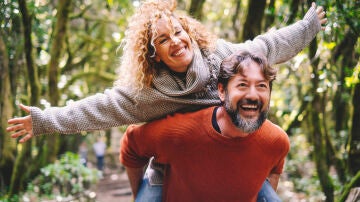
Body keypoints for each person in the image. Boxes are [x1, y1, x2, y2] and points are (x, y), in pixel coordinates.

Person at [6, 0, 326, 201]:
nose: (175, 41)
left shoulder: (220, 57)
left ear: (189, 32)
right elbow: (97, 108)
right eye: (162, 39)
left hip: (233, 158)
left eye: (177, 32)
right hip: (172, 167)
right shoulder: (147, 94)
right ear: (153, 56)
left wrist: (308, 26)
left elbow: (267, 46)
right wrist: (43, 120)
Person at [120, 50, 289, 201]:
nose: (253, 95)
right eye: (242, 85)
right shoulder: (181, 133)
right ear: (222, 91)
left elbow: (274, 168)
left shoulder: (276, 141)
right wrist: (140, 195)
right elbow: (132, 145)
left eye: (261, 86)